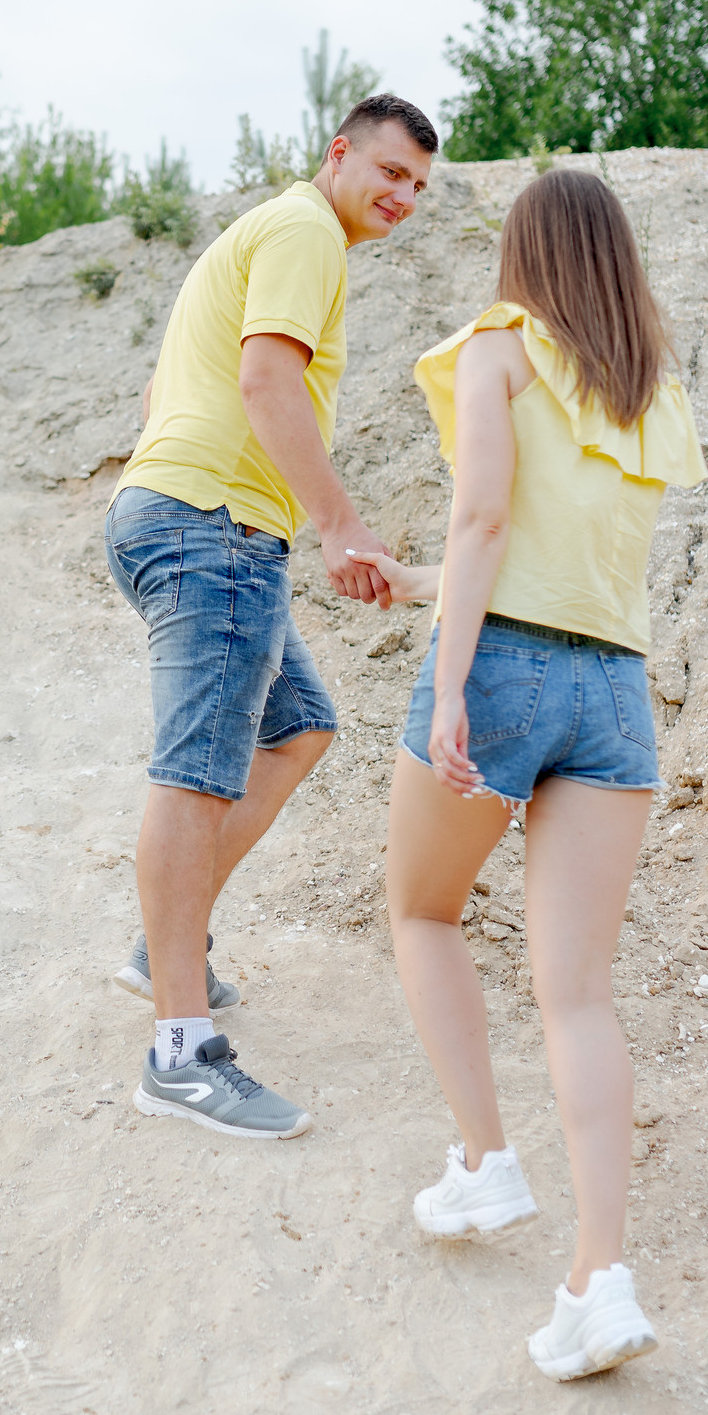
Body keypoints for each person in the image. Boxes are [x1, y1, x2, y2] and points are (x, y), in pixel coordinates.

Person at [368, 167, 705, 1379]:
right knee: (577, 993)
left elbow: (485, 527)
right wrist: (405, 581)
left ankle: (484, 1160)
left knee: (420, 909)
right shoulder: (646, 389)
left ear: (523, 255)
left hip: (500, 670)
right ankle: (596, 1280)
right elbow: (559, 559)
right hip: (614, 691)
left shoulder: (497, 348)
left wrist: (449, 682)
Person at [104, 93, 440, 1139]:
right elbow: (264, 378)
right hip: (215, 527)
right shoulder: (302, 231)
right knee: (196, 771)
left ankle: (165, 941)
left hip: (184, 513)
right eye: (388, 172)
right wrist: (336, 525)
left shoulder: (261, 235)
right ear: (338, 154)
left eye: (420, 187)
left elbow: (171, 394)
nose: (402, 196)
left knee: (300, 726)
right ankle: (180, 1051)